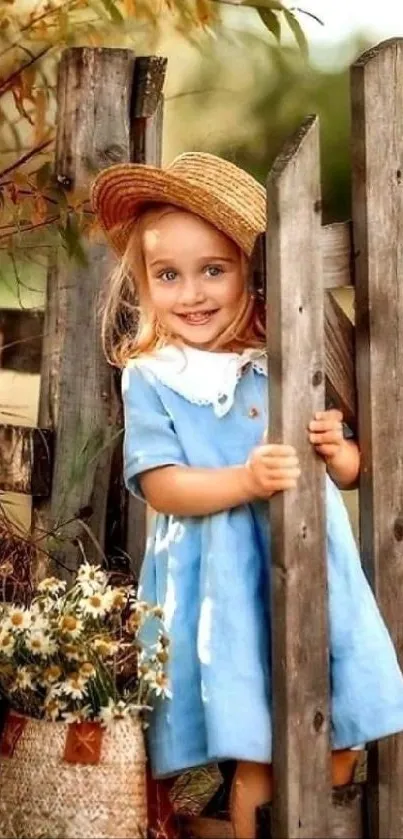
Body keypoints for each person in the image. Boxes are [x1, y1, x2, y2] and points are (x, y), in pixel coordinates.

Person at [91, 152, 403, 838]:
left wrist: (337, 449)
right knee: (257, 750)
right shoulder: (154, 375)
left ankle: (316, 822)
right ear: (143, 285)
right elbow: (160, 484)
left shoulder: (282, 358)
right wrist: (244, 480)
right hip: (226, 588)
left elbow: (350, 474)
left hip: (315, 577)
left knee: (339, 727)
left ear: (252, 274)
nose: (192, 293)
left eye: (214, 269)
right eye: (167, 276)